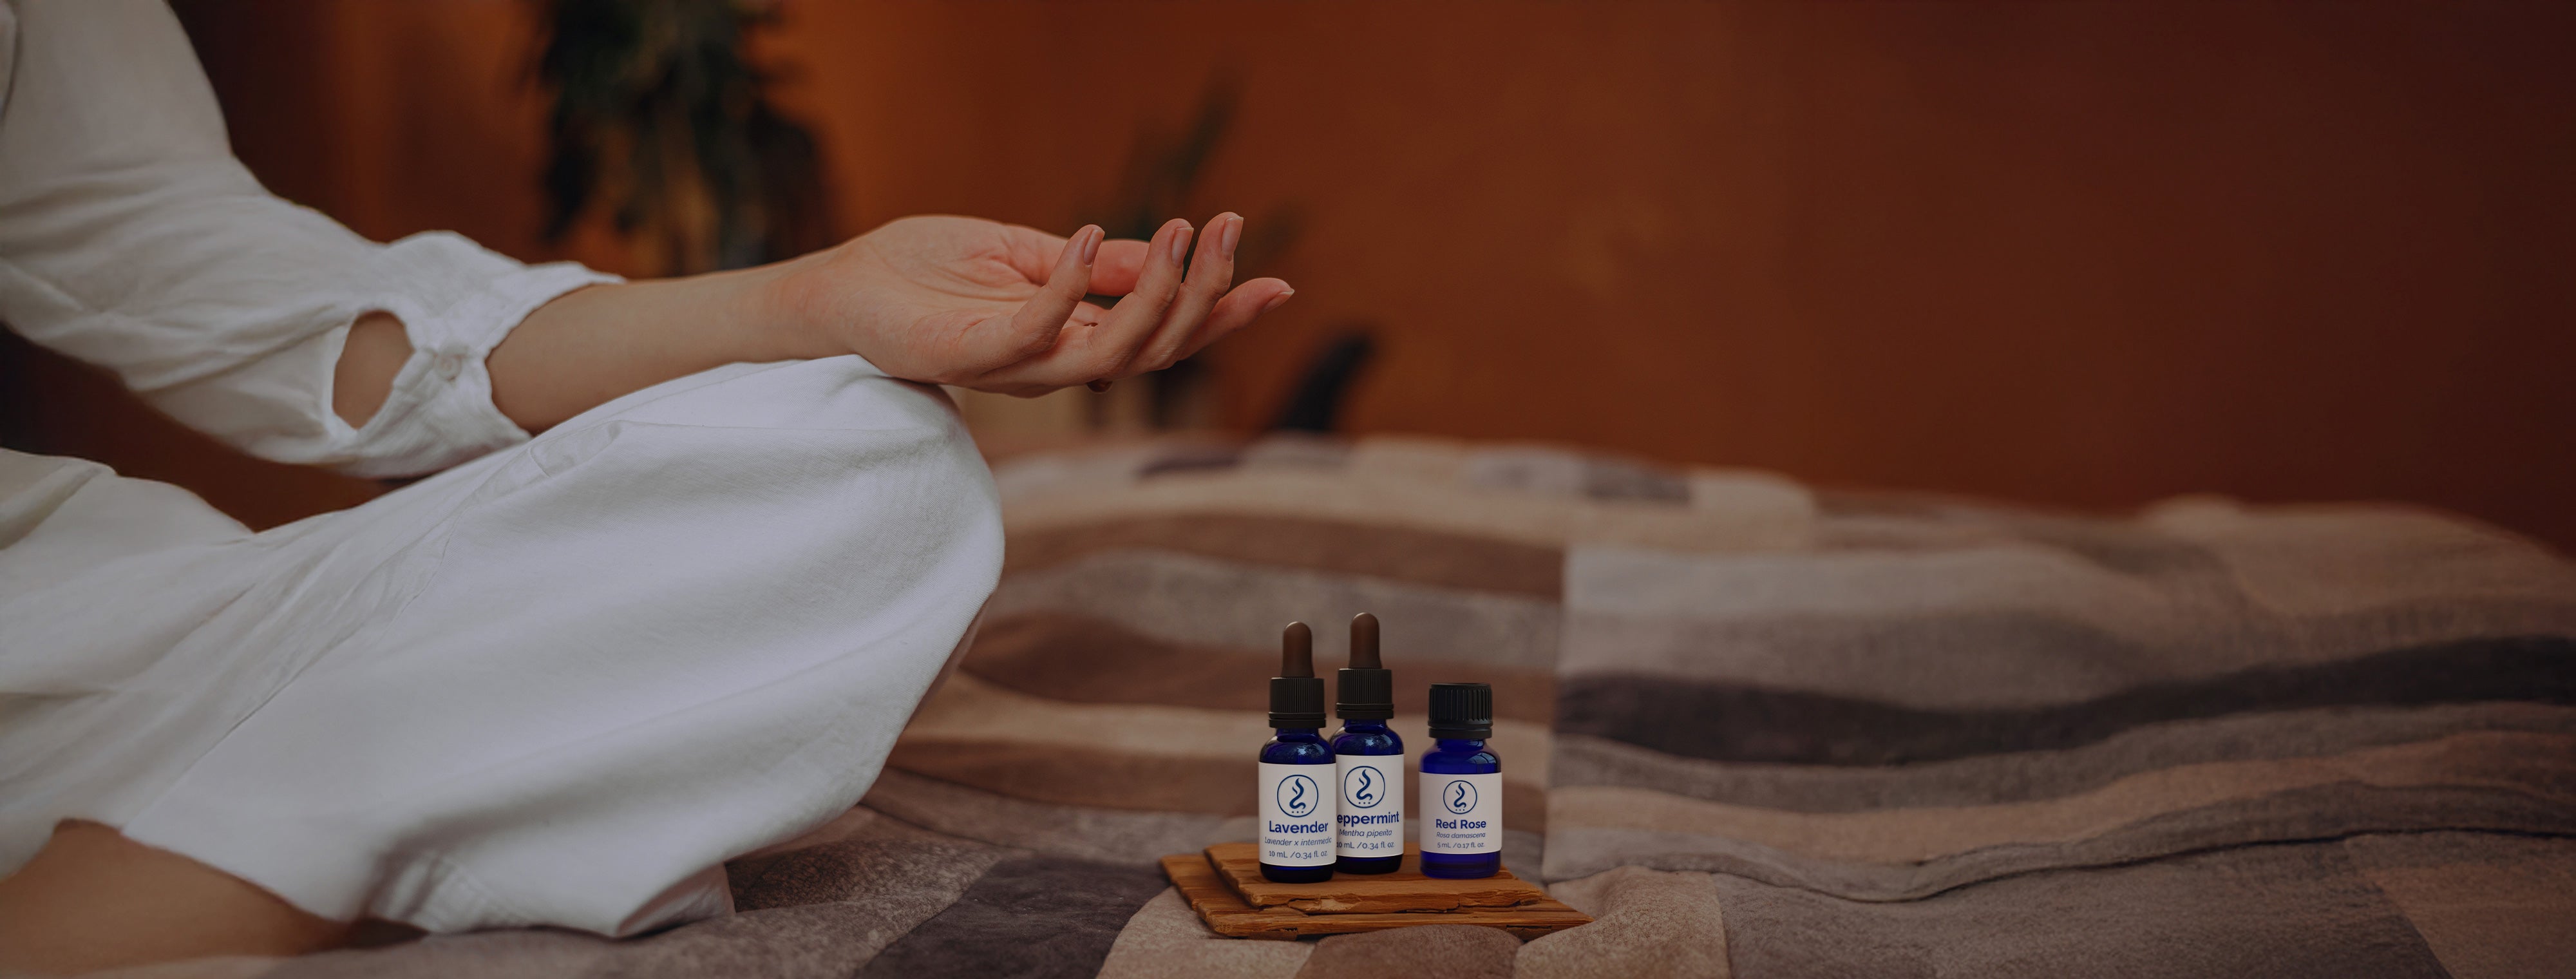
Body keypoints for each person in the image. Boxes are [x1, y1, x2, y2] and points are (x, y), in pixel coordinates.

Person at [0, 1, 1294, 973]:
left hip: (63, 646)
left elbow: (212, 276)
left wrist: (816, 299)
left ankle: (165, 867)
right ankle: (222, 874)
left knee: (862, 442)